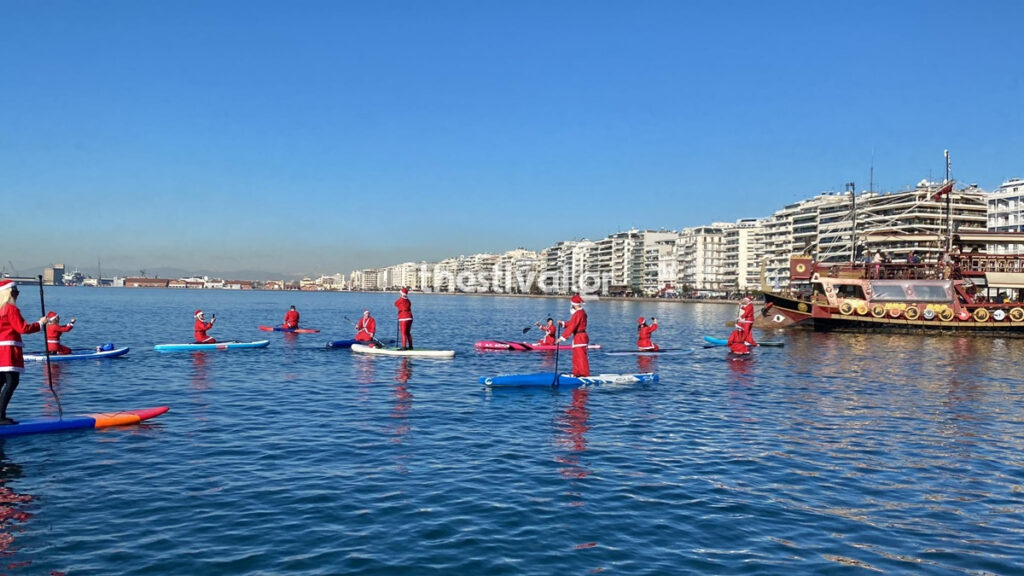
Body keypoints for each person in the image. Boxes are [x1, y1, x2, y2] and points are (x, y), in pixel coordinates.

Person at [0, 280, 49, 425]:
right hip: (8, 350)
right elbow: (22, 328)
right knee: (12, 382)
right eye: (15, 292)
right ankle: (0, 417)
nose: (17, 295)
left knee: (2, 381)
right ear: (8, 293)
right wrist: (40, 324)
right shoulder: (10, 309)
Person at [558, 294, 590, 377]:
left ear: (573, 304)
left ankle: (583, 374)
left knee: (580, 357)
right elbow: (573, 323)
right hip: (579, 337)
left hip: (580, 337)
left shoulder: (578, 313)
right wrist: (563, 323)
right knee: (576, 357)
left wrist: (561, 338)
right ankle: (577, 373)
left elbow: (572, 326)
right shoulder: (581, 312)